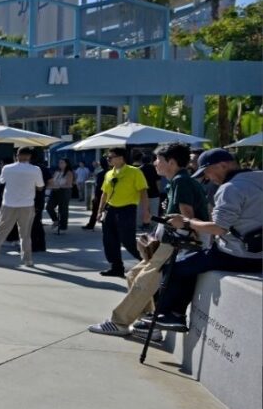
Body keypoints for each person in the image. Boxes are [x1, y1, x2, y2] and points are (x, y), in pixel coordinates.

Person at [88, 142, 209, 338]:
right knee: (134, 275)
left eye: (158, 160)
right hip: (169, 241)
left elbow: (187, 218)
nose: (154, 163)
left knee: (144, 280)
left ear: (171, 162)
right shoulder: (178, 180)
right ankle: (148, 322)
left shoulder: (181, 182)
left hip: (176, 243)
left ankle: (119, 322)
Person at [154, 149, 262, 332]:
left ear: (223, 165)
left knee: (176, 267)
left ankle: (171, 315)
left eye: (207, 172)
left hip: (237, 255)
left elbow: (219, 228)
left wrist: (187, 222)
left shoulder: (230, 188)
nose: (207, 178)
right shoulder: (258, 177)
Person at [0, 147, 45, 267]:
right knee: (25, 234)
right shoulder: (35, 169)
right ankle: (27, 259)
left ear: (17, 155)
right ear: (29, 156)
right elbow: (40, 186)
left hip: (8, 204)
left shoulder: (7, 168)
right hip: (27, 205)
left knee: (1, 231)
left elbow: (2, 181)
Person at [97, 147, 150, 278]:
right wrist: (100, 211)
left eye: (111, 157)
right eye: (107, 157)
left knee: (128, 241)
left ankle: (149, 262)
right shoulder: (109, 174)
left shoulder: (134, 172)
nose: (108, 159)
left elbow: (143, 192)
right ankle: (116, 267)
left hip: (127, 209)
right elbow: (104, 193)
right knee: (109, 240)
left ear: (121, 158)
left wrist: (145, 211)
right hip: (111, 209)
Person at [47, 158, 75, 233]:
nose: (60, 164)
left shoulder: (69, 172)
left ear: (66, 164)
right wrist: (50, 185)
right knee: (49, 207)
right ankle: (56, 221)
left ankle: (63, 227)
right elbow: (52, 181)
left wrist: (59, 186)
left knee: (63, 210)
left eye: (62, 163)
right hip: (55, 191)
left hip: (64, 192)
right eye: (59, 163)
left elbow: (69, 185)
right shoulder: (57, 171)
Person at [138, 151, 162, 227]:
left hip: (141, 194)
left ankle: (141, 224)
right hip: (154, 193)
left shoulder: (138, 170)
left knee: (142, 211)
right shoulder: (154, 169)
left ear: (141, 161)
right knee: (153, 212)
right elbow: (158, 182)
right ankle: (153, 226)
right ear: (150, 160)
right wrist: (159, 191)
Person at [82, 161, 108, 230]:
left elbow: (98, 186)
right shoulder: (112, 173)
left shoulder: (101, 174)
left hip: (100, 194)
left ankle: (91, 225)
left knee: (95, 211)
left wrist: (96, 196)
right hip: (109, 195)